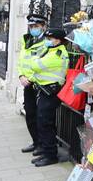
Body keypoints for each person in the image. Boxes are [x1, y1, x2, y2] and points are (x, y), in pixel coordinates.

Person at [28, 27, 70, 167]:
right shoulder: (51, 51)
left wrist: (33, 58)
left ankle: (50, 155)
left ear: (57, 40)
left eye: (49, 39)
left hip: (50, 93)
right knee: (44, 123)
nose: (47, 41)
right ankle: (47, 151)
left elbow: (35, 65)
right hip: (45, 91)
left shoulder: (57, 54)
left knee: (45, 123)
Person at [18, 13, 47, 157]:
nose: (33, 29)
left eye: (36, 26)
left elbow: (46, 65)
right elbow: (22, 61)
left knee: (40, 117)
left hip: (40, 84)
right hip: (27, 83)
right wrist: (21, 76)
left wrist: (30, 78)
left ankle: (42, 144)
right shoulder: (27, 40)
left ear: (43, 26)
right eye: (31, 26)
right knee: (29, 114)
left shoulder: (47, 42)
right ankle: (36, 142)